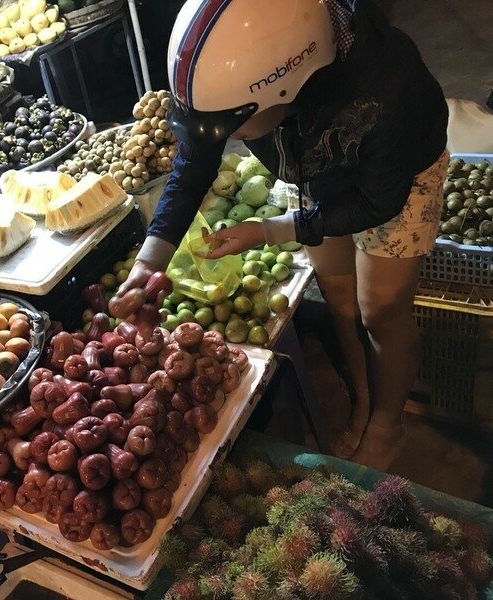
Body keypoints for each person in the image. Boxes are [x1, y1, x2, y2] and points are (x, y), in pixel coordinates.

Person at [116, 0, 449, 470]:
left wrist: (270, 230)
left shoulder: (386, 89)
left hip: (396, 178)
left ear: (290, 88)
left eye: (234, 124)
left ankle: (386, 424)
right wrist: (150, 261)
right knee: (337, 293)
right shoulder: (254, 69)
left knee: (381, 311)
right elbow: (195, 160)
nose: (226, 137)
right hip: (317, 168)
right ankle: (363, 391)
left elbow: (377, 202)